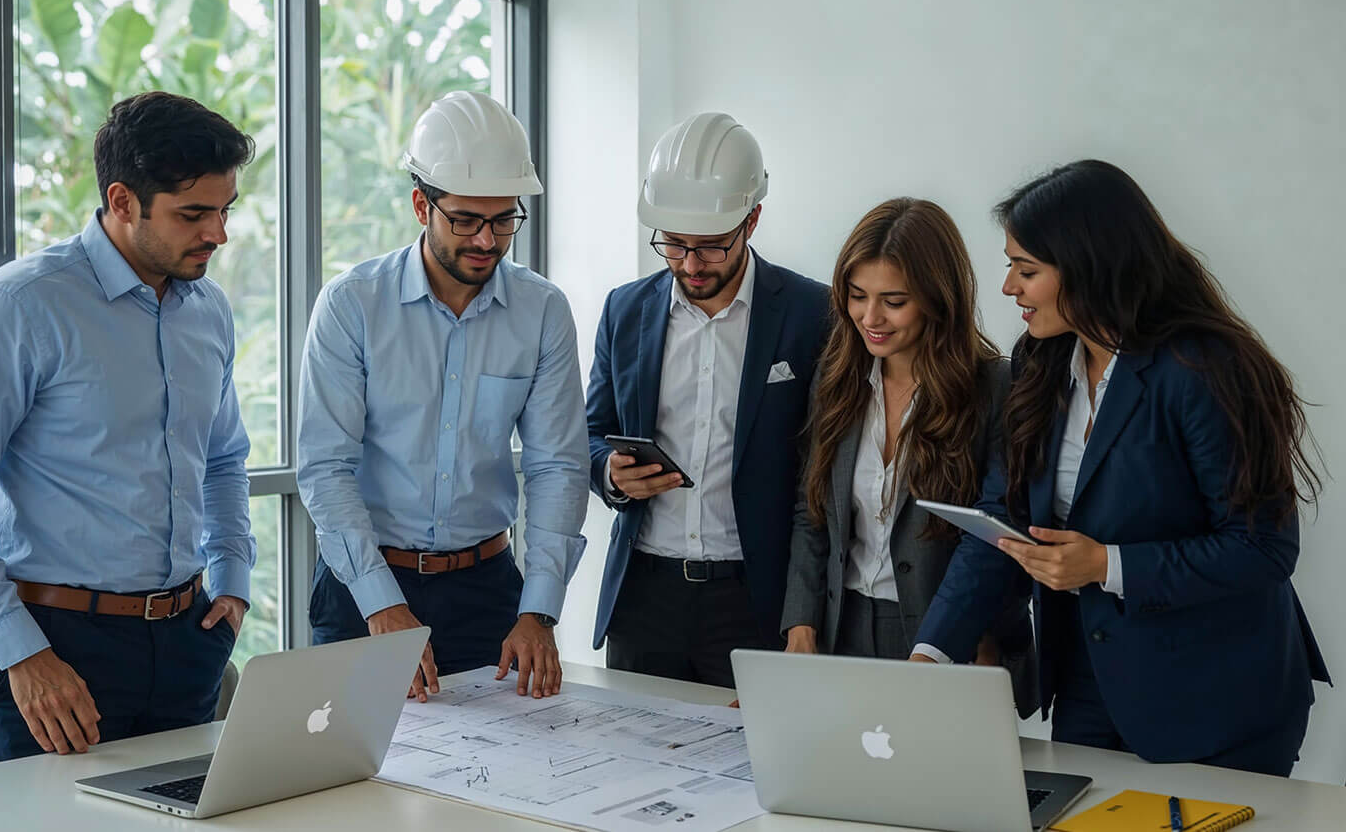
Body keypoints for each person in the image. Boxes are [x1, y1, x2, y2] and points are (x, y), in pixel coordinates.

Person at [911, 159, 1330, 777]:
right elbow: (1004, 520)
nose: (1008, 288)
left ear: (1088, 265)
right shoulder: (1039, 360)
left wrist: (1108, 564)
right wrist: (931, 653)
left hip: (1218, 699)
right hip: (1088, 680)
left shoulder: (1206, 370)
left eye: (1026, 270)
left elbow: (1263, 548)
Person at [0, 91, 256, 762]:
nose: (217, 233)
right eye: (193, 214)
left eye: (223, 210)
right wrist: (21, 652)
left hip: (187, 640)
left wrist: (233, 579)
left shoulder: (208, 310)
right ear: (123, 202)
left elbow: (222, 458)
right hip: (56, 649)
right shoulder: (21, 306)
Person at [297, 90, 587, 702]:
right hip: (363, 587)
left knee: (505, 775)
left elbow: (557, 465)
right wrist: (382, 607)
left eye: (504, 219)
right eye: (465, 220)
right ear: (419, 205)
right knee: (355, 776)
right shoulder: (353, 305)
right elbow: (327, 468)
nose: (487, 240)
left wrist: (540, 610)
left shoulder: (542, 311)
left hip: (489, 592)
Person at [584, 112, 829, 687]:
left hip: (755, 600)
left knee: (753, 771)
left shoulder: (810, 313)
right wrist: (611, 474)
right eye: (673, 245)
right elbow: (591, 433)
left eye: (712, 247)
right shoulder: (625, 309)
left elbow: (821, 475)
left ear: (753, 220)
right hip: (643, 597)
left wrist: (804, 616)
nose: (690, 265)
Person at [779, 198, 1029, 695]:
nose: (870, 317)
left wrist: (964, 638)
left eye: (894, 301)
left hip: (948, 639)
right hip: (839, 626)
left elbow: (995, 531)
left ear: (939, 297)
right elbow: (812, 513)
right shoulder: (835, 378)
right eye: (856, 295)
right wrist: (801, 627)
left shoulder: (994, 386)